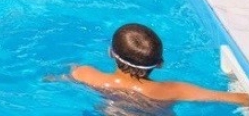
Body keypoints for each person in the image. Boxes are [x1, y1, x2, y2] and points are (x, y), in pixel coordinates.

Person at [70, 23, 249, 108]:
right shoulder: (174, 90)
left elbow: (60, 76)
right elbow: (238, 98)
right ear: (160, 64)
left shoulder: (86, 74)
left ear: (110, 52)